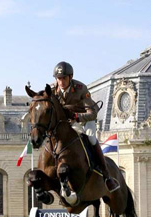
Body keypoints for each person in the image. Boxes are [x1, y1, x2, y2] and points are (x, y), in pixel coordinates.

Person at [50, 61, 120, 192]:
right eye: (59, 78)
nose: (61, 82)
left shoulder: (80, 88)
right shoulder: (52, 90)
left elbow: (92, 113)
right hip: (67, 123)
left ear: (70, 77)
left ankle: (106, 175)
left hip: (84, 120)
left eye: (64, 78)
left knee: (91, 138)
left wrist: (77, 117)